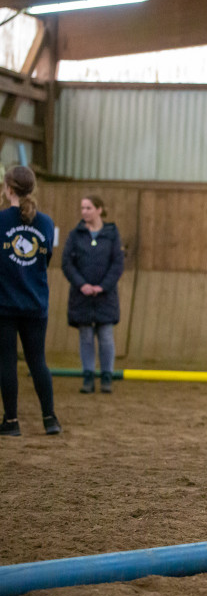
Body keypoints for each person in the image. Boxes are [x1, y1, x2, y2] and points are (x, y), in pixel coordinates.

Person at [0, 166, 61, 436]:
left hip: (5, 304)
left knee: (7, 362)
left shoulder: (1, 220)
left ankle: (11, 422)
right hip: (36, 303)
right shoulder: (46, 223)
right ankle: (50, 419)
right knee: (38, 361)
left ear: (8, 189)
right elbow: (45, 261)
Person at [61, 195, 125, 394]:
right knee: (86, 336)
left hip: (105, 296)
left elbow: (117, 264)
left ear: (99, 209)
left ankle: (107, 376)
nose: (84, 212)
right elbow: (67, 263)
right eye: (82, 208)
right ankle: (88, 376)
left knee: (106, 336)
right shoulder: (75, 235)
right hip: (82, 296)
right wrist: (82, 284)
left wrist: (102, 286)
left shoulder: (112, 234)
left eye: (88, 208)